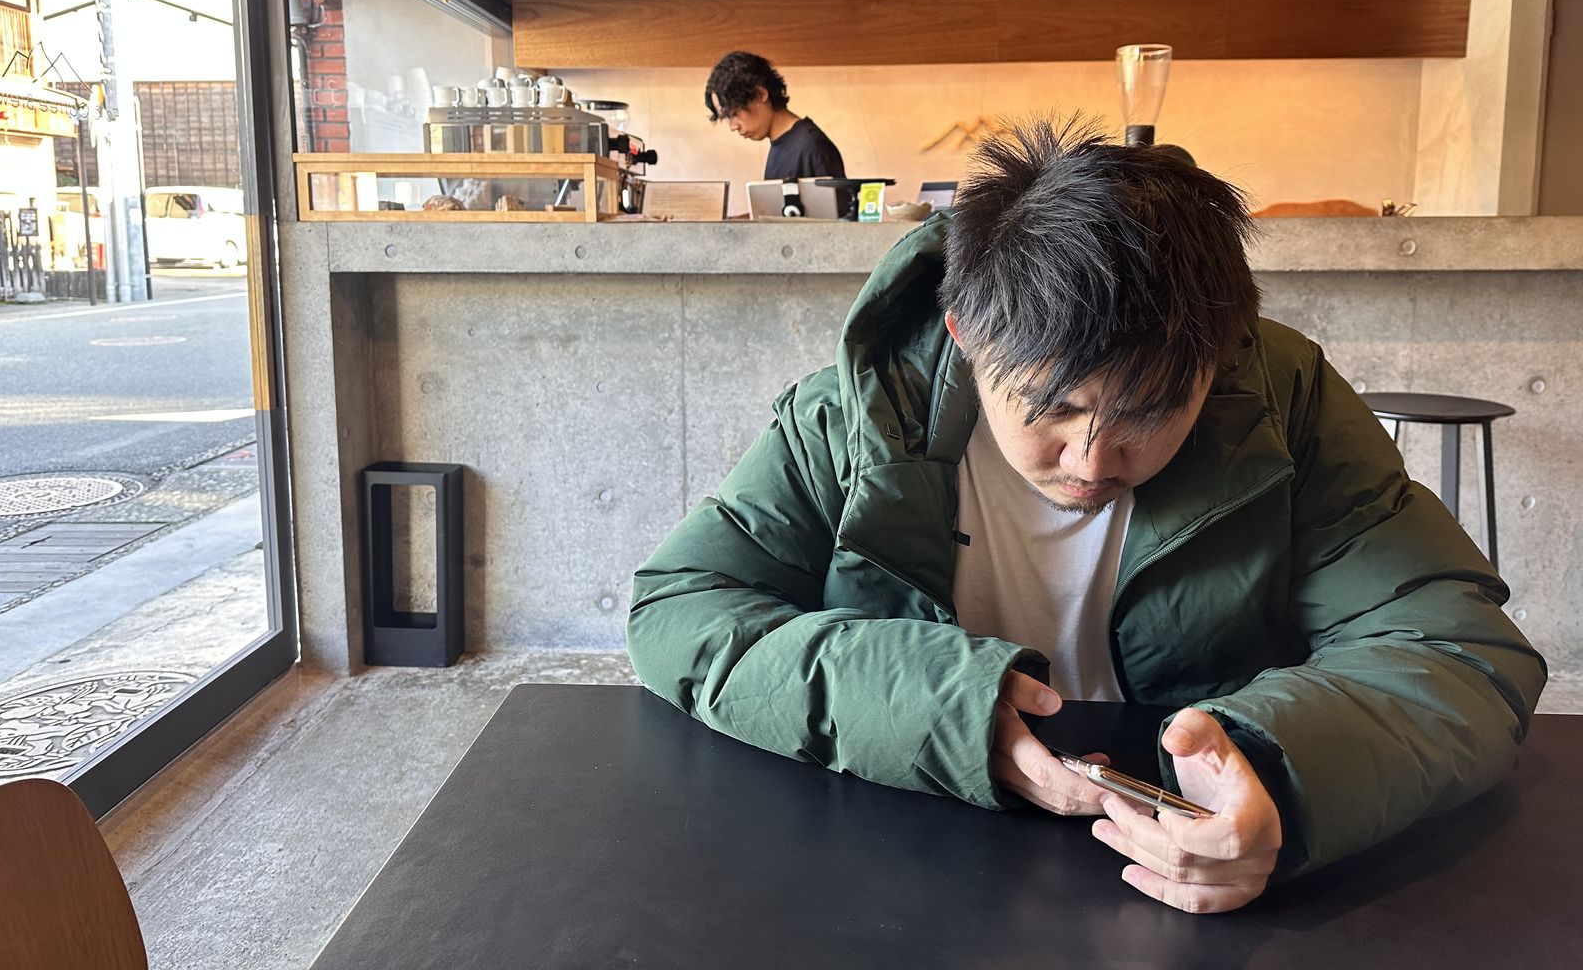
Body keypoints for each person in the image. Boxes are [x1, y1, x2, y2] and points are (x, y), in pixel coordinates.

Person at [626, 117, 1546, 915]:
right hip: (891, 864)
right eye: (1050, 408)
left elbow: (1455, 649)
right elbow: (683, 609)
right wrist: (942, 711)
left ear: (1218, 360)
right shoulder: (855, 416)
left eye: (1152, 413)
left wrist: (1281, 775)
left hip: (1207, 880)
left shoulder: (1283, 399)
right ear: (964, 333)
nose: (1094, 462)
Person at [704, 50, 845, 180]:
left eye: (734, 113)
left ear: (761, 94)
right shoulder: (780, 145)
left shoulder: (812, 146)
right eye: (727, 118)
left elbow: (838, 207)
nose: (733, 126)